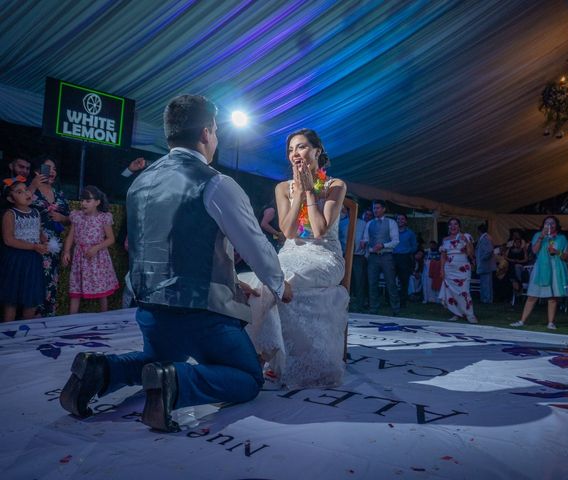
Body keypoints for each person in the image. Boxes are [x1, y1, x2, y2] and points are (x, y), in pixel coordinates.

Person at [59, 94, 291, 433]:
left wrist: (227, 277)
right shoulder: (215, 182)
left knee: (155, 360)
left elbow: (164, 247)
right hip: (202, 313)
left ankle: (102, 370)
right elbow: (255, 245)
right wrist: (281, 285)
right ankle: (176, 384)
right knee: (247, 377)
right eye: (215, 130)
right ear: (207, 133)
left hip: (151, 308)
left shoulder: (140, 184)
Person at [243, 128, 348, 389]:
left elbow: (320, 229)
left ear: (317, 151)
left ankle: (259, 357)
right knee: (262, 280)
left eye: (301, 147)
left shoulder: (335, 185)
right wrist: (298, 192)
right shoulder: (282, 188)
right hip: (290, 251)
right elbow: (288, 231)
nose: (295, 154)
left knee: (281, 281)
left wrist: (310, 190)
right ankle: (260, 352)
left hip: (324, 256)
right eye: (290, 150)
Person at [62, 186, 119, 314]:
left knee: (101, 287)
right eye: (82, 200)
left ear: (97, 202)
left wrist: (96, 248)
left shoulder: (104, 218)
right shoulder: (76, 216)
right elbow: (71, 236)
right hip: (80, 256)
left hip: (97, 258)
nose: (83, 203)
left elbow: (111, 239)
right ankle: (71, 318)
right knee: (76, 286)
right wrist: (66, 251)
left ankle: (104, 316)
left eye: (87, 201)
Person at [510, 216, 568, 330]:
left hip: (556, 268)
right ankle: (522, 320)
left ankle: (551, 322)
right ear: (543, 225)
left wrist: (557, 252)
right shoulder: (538, 235)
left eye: (552, 223)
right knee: (532, 295)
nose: (549, 225)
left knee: (552, 297)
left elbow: (566, 256)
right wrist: (541, 238)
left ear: (556, 225)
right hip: (541, 268)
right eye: (547, 223)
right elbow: (534, 251)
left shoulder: (562, 238)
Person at [0, 177, 48, 321]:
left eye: (26, 189)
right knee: (12, 299)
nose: (26, 193)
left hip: (33, 260)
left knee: (31, 298)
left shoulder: (36, 213)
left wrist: (44, 240)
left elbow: (38, 234)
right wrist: (33, 246)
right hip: (15, 260)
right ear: (10, 198)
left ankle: (26, 335)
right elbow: (8, 240)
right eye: (19, 192)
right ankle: (8, 334)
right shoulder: (10, 214)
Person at [29, 155, 70, 316]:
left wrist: (62, 218)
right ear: (37, 171)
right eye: (47, 168)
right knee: (34, 282)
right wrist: (32, 186)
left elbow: (69, 218)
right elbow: (18, 205)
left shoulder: (58, 193)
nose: (52, 171)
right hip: (34, 244)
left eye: (54, 168)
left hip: (54, 246)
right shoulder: (28, 189)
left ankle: (47, 320)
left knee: (51, 282)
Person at [361, 200, 401, 315]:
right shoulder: (369, 224)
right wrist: (364, 242)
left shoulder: (391, 222)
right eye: (374, 208)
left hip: (386, 256)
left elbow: (396, 241)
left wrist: (383, 245)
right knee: (372, 283)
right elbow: (367, 238)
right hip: (373, 257)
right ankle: (373, 308)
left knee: (391, 282)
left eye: (378, 208)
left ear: (383, 209)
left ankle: (395, 308)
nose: (375, 210)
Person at [439, 218, 477, 323]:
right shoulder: (445, 239)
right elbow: (443, 256)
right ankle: (457, 313)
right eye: (450, 224)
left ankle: (470, 314)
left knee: (464, 292)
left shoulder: (466, 236)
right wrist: (442, 270)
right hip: (449, 268)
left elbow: (471, 254)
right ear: (448, 227)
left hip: (462, 268)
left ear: (459, 226)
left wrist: (466, 240)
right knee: (451, 292)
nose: (453, 226)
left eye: (455, 224)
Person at [393, 213, 417, 307]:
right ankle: (391, 301)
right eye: (398, 219)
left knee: (404, 281)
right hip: (393, 257)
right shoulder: (393, 232)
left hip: (405, 258)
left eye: (402, 219)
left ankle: (403, 302)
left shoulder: (410, 233)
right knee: (391, 279)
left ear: (406, 221)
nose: (400, 220)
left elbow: (414, 246)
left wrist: (407, 251)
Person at [475, 223, 496, 303]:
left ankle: (487, 299)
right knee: (485, 282)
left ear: (479, 230)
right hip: (485, 264)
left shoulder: (485, 238)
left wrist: (482, 258)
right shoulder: (485, 238)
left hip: (486, 264)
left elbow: (489, 250)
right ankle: (485, 298)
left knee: (486, 283)